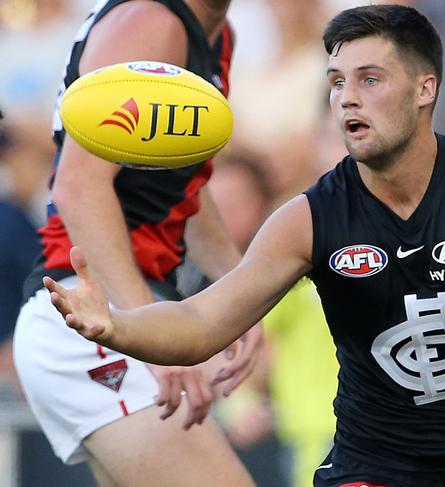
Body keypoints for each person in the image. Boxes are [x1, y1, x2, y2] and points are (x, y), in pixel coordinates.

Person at [45, 5, 445, 486]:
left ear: (426, 89)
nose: (347, 96)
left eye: (370, 79)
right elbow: (201, 324)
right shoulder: (307, 218)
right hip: (372, 470)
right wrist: (117, 325)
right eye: (336, 81)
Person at [13, 0, 261, 486]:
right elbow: (78, 186)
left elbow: (186, 186)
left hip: (110, 311)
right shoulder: (152, 21)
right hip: (94, 315)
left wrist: (241, 292)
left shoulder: (216, 33)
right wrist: (150, 339)